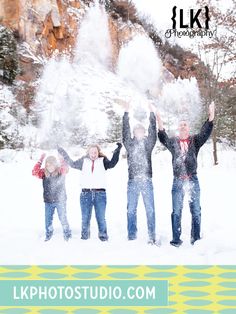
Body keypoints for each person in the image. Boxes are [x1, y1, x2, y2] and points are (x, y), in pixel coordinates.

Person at [157, 102, 215, 247]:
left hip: (192, 180)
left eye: (185, 125)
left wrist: (211, 116)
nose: (183, 126)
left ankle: (195, 239)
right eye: (181, 125)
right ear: (178, 128)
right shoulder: (173, 142)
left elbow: (205, 132)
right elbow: (162, 136)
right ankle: (176, 240)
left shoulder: (194, 141)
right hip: (177, 181)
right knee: (176, 211)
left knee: (196, 210)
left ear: (188, 129)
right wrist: (158, 118)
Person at [57, 143, 122, 241]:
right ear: (88, 152)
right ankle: (85, 238)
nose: (93, 154)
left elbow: (112, 163)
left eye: (95, 152)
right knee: (85, 218)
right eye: (91, 152)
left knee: (101, 218)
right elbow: (72, 163)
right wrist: (62, 151)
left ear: (98, 152)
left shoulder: (102, 161)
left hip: (100, 194)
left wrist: (117, 150)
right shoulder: (83, 161)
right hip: (85, 194)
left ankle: (103, 238)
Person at [122, 102, 157, 245]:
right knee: (131, 210)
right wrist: (126, 114)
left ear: (144, 133)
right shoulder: (129, 144)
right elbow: (124, 131)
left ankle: (152, 236)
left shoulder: (148, 144)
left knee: (150, 210)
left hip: (146, 180)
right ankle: (132, 236)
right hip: (133, 181)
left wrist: (152, 114)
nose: (139, 132)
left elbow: (153, 131)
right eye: (136, 131)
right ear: (134, 133)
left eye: (141, 131)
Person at [32, 154, 72, 241]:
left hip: (60, 201)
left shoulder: (60, 171)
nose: (50, 166)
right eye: (48, 164)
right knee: (48, 220)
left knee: (63, 218)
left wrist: (61, 159)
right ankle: (49, 234)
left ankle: (67, 234)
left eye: (52, 164)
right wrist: (40, 160)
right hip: (48, 202)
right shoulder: (43, 173)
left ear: (56, 164)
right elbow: (34, 172)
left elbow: (66, 168)